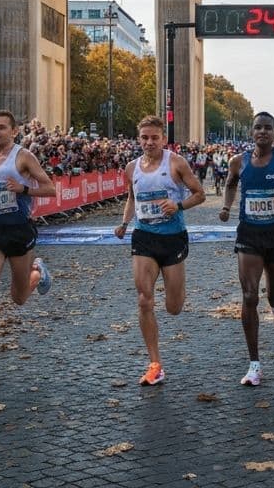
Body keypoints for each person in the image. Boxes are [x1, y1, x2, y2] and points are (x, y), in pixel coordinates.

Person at [220, 111, 274, 387]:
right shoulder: (238, 161)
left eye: (268, 128)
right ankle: (254, 364)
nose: (262, 132)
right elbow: (230, 185)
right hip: (249, 234)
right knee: (249, 295)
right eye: (258, 128)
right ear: (252, 132)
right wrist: (226, 207)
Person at [114, 115, 205, 387]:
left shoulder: (176, 163)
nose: (149, 142)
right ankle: (155, 364)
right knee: (144, 299)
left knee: (174, 307)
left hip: (173, 238)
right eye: (144, 137)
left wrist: (178, 206)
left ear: (163, 138)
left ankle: (176, 292)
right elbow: (132, 198)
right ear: (138, 139)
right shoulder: (131, 168)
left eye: (154, 137)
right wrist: (124, 222)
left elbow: (199, 194)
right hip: (144, 237)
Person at [0, 110, 55, 378]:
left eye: (2, 127)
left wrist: (24, 189)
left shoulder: (24, 156)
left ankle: (37, 272)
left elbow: (50, 188)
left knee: (19, 298)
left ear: (14, 131)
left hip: (19, 230)